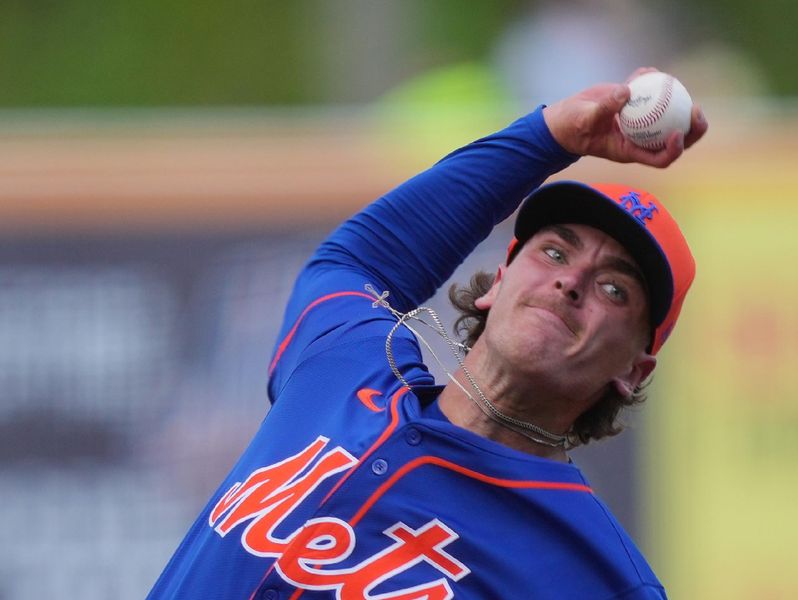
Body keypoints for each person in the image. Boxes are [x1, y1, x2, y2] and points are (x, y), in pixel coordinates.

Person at [148, 68, 707, 599]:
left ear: (632, 371)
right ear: (496, 283)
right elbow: (357, 259)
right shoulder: (345, 367)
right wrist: (548, 136)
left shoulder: (599, 579)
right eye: (555, 251)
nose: (571, 281)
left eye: (615, 290)